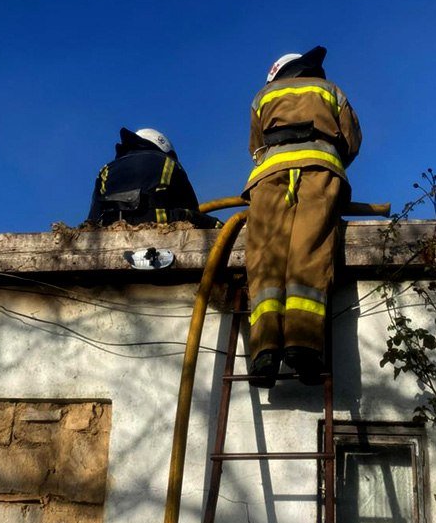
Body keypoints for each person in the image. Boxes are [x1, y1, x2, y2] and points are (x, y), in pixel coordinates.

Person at [242, 46, 362, 387]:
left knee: (265, 257)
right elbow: (352, 139)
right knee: (309, 250)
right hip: (319, 173)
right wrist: (328, 156)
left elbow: (255, 149)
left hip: (268, 178)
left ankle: (265, 352)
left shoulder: (262, 96)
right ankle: (303, 345)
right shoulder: (331, 90)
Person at [88, 128, 219, 228]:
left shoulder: (105, 169)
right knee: (213, 225)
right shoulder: (169, 163)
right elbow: (191, 207)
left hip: (109, 230)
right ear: (165, 149)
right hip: (160, 226)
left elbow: (92, 218)